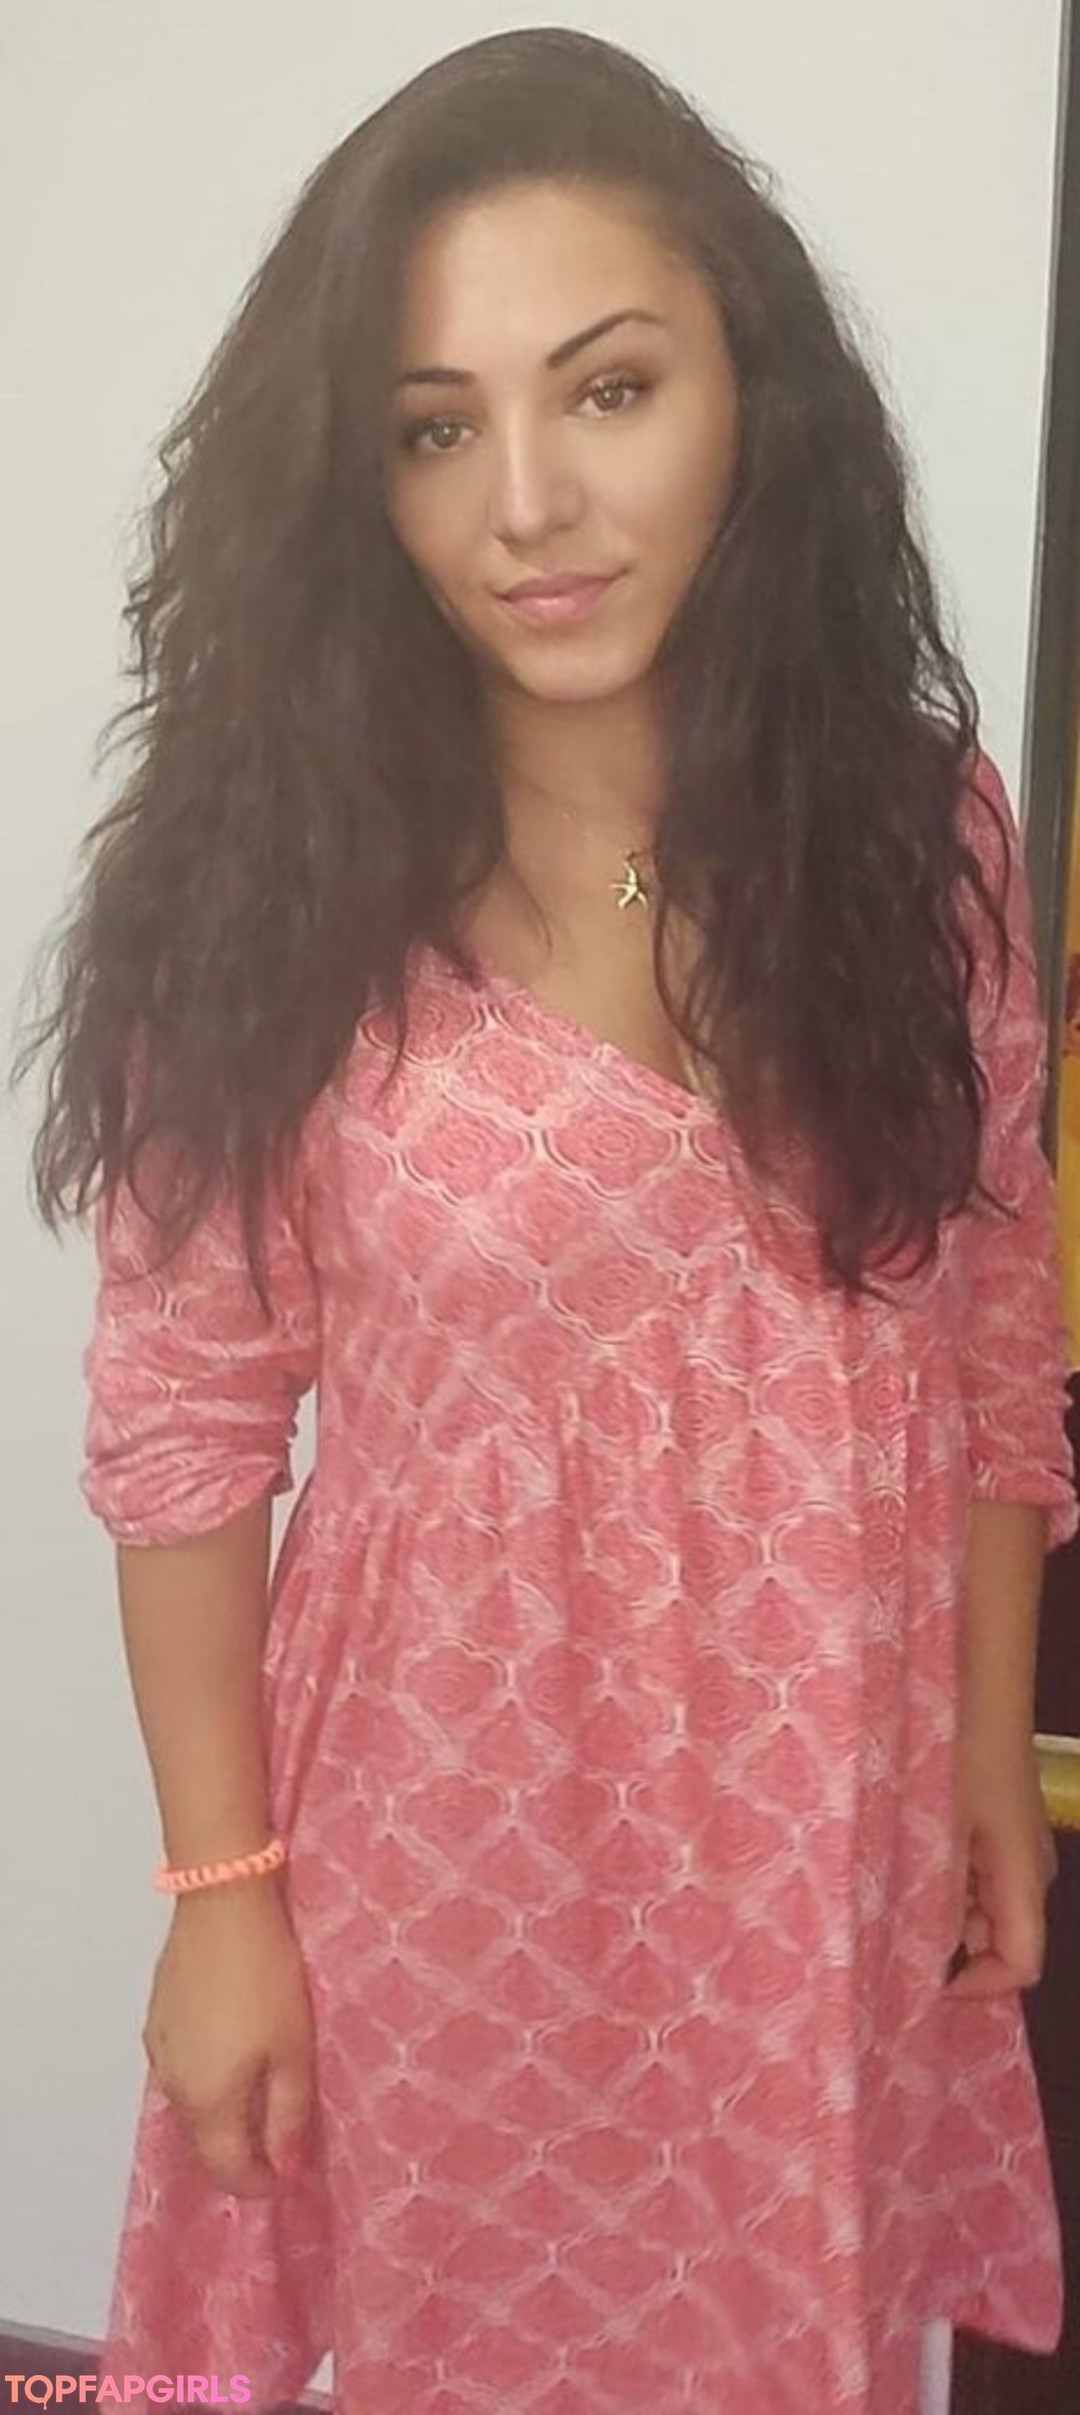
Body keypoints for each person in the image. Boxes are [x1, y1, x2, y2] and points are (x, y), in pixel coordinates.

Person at [15, 26, 1079, 2415]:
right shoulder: (266, 893)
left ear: (748, 393)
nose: (526, 502)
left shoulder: (919, 835)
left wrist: (987, 1745)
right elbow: (184, 1432)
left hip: (827, 1825)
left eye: (607, 388)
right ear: (354, 477)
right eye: (433, 428)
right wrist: (221, 1900)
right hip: (455, 1861)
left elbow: (993, 1297)